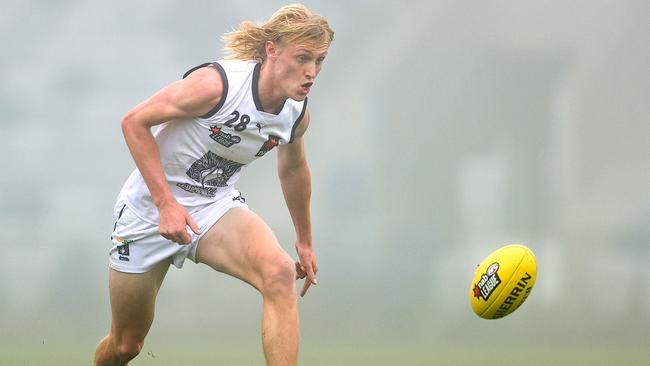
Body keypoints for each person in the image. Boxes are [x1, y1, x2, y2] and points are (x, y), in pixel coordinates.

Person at [93, 4, 334, 366]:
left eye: (319, 60)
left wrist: (304, 239)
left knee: (279, 273)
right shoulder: (217, 85)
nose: (311, 72)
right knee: (126, 345)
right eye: (302, 58)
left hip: (215, 207)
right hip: (148, 211)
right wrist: (165, 205)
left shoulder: (295, 113)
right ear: (271, 50)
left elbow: (294, 168)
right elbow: (134, 122)